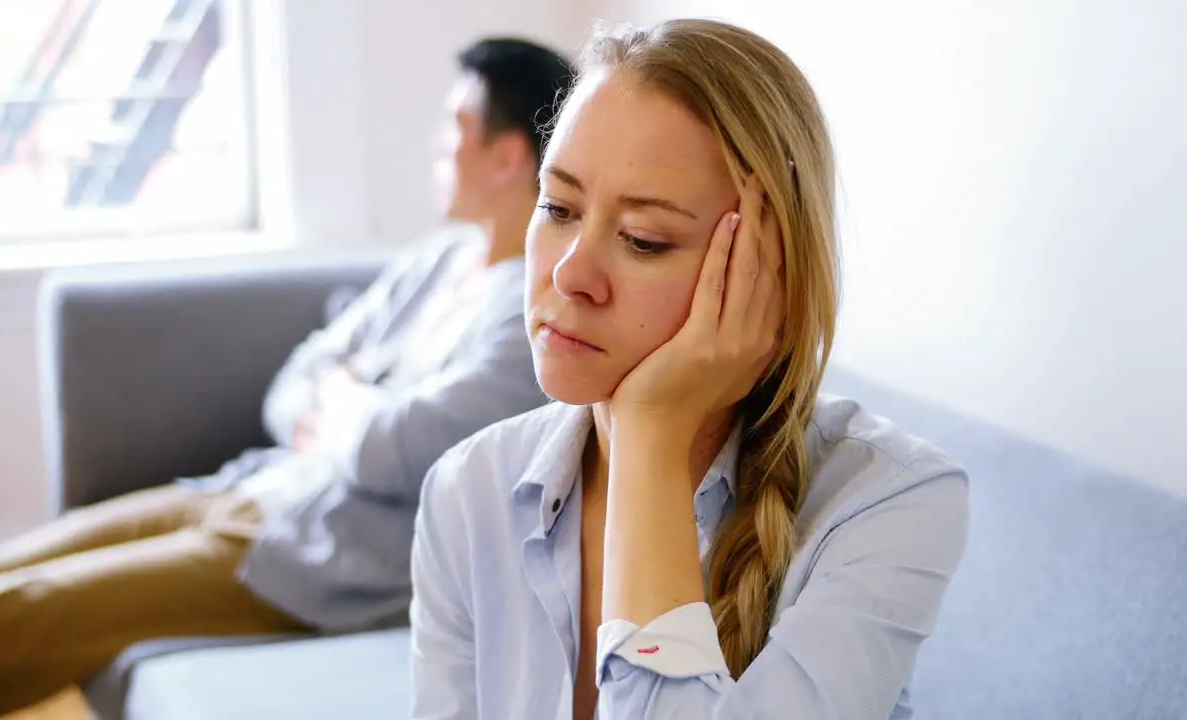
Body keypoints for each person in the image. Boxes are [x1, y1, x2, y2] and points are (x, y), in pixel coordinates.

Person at [0, 38, 573, 720]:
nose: (436, 146)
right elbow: (296, 379)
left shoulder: (525, 317)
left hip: (316, 558)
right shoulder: (435, 262)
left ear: (507, 156)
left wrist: (340, 402)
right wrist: (349, 408)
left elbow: (391, 449)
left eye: (454, 127)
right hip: (250, 487)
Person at [409, 19, 970, 720]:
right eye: (557, 207)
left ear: (768, 276)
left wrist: (649, 437)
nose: (569, 272)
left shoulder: (889, 501)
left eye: (644, 240)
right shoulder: (468, 492)